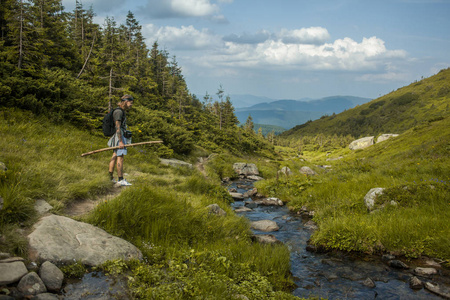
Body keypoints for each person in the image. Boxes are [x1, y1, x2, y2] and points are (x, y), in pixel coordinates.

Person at [108, 94, 134, 186]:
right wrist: (121, 141)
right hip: (119, 137)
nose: (131, 105)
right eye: (131, 103)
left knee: (115, 155)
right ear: (126, 102)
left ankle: (110, 178)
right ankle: (120, 179)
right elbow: (118, 127)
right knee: (120, 156)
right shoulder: (119, 112)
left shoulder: (120, 111)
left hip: (118, 136)